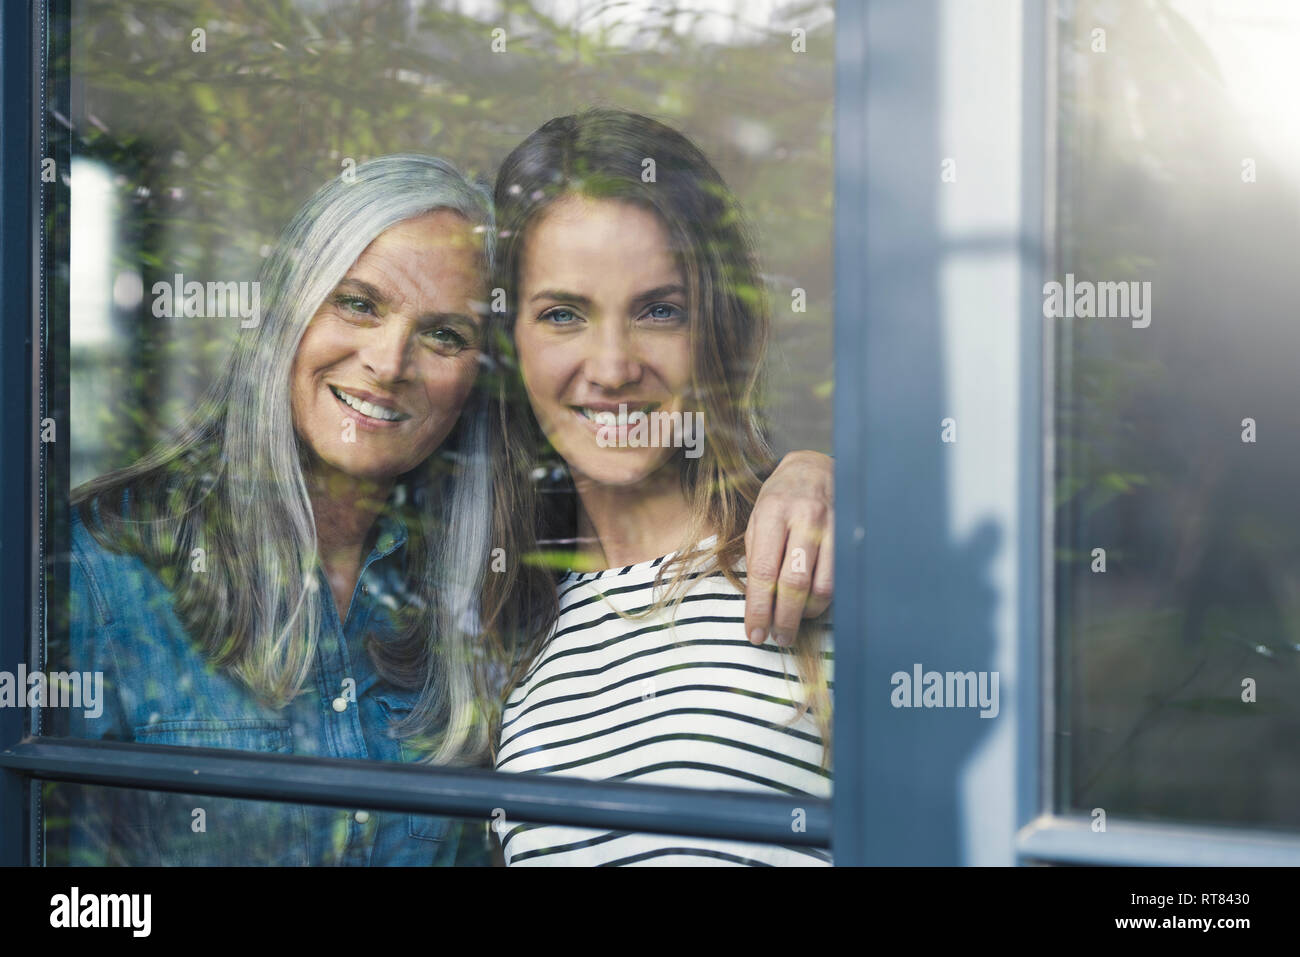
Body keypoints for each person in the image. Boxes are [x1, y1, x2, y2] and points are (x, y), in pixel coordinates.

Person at [58, 151, 834, 866]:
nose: (389, 362)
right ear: (285, 314)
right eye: (358, 304)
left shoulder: (490, 598)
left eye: (443, 333)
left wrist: (819, 477)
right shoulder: (102, 567)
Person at [490, 109, 833, 866]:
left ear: (718, 329)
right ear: (510, 343)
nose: (612, 367)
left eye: (658, 310)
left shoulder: (809, 563)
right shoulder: (506, 638)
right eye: (563, 314)